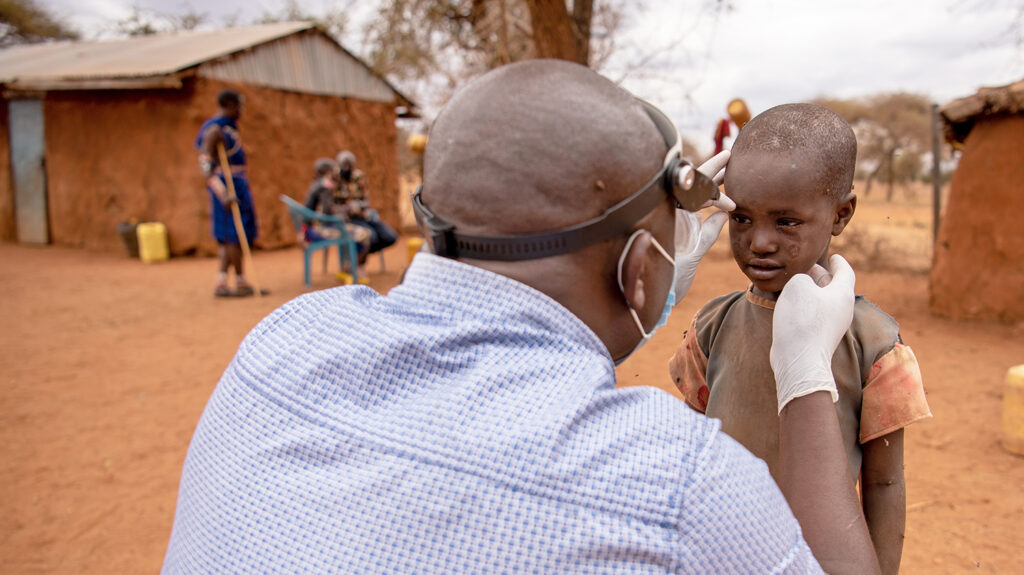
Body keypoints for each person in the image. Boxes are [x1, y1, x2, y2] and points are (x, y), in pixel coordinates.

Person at [163, 61, 879, 573]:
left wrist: (660, 259)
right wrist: (806, 369)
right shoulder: (677, 487)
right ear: (637, 272)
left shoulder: (281, 340)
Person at [669, 103, 932, 575]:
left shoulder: (874, 343)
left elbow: (885, 484)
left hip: (818, 558)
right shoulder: (712, 326)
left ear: (841, 214)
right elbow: (689, 454)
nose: (760, 242)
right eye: (741, 218)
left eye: (786, 222)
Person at [196, 89, 259, 298]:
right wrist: (222, 193)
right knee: (232, 237)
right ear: (230, 105)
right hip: (227, 188)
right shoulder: (215, 130)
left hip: (237, 186)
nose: (241, 110)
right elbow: (205, 164)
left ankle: (222, 282)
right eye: (239, 105)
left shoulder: (228, 129)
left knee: (231, 237)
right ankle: (240, 282)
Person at [336, 150, 399, 256]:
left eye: (349, 165)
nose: (346, 168)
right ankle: (358, 260)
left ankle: (358, 255)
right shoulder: (335, 178)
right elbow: (331, 205)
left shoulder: (358, 177)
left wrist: (357, 206)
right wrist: (345, 209)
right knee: (370, 235)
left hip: (363, 215)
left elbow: (366, 201)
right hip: (347, 219)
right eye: (344, 165)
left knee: (390, 237)